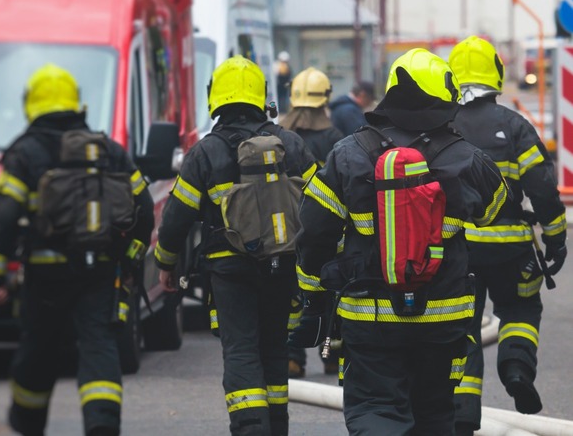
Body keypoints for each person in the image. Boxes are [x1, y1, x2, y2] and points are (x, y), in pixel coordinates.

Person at [295, 48, 508, 435]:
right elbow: (493, 209)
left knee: (376, 408)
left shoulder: (348, 154)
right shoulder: (465, 157)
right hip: (443, 317)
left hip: (370, 316)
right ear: (446, 97)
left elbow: (313, 231)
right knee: (435, 413)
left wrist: (313, 296)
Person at [0, 64, 154, 436]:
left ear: (33, 104)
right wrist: (131, 257)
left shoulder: (25, 153)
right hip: (101, 273)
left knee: (38, 352)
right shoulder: (109, 150)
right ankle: (102, 427)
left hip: (44, 277)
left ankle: (24, 427)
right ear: (78, 104)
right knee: (99, 347)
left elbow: (5, 215)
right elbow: (144, 209)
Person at [155, 55, 317, 436]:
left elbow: (176, 217)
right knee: (275, 349)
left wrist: (166, 263)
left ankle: (249, 429)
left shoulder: (205, 152)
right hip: (283, 263)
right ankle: (276, 427)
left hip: (230, 270)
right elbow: (321, 205)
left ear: (217, 98)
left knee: (242, 350)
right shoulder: (291, 144)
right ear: (261, 97)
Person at [447, 36, 567, 435]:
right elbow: (542, 188)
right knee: (520, 309)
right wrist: (556, 237)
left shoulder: (440, 128)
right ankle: (516, 368)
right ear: (495, 75)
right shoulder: (513, 126)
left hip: (456, 250)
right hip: (510, 249)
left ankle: (464, 410)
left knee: (460, 324)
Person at [280, 66, 344, 378]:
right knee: (330, 289)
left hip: (283, 230)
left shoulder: (279, 135)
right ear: (325, 99)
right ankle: (332, 354)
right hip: (325, 230)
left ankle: (292, 358)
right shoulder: (334, 138)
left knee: (291, 295)